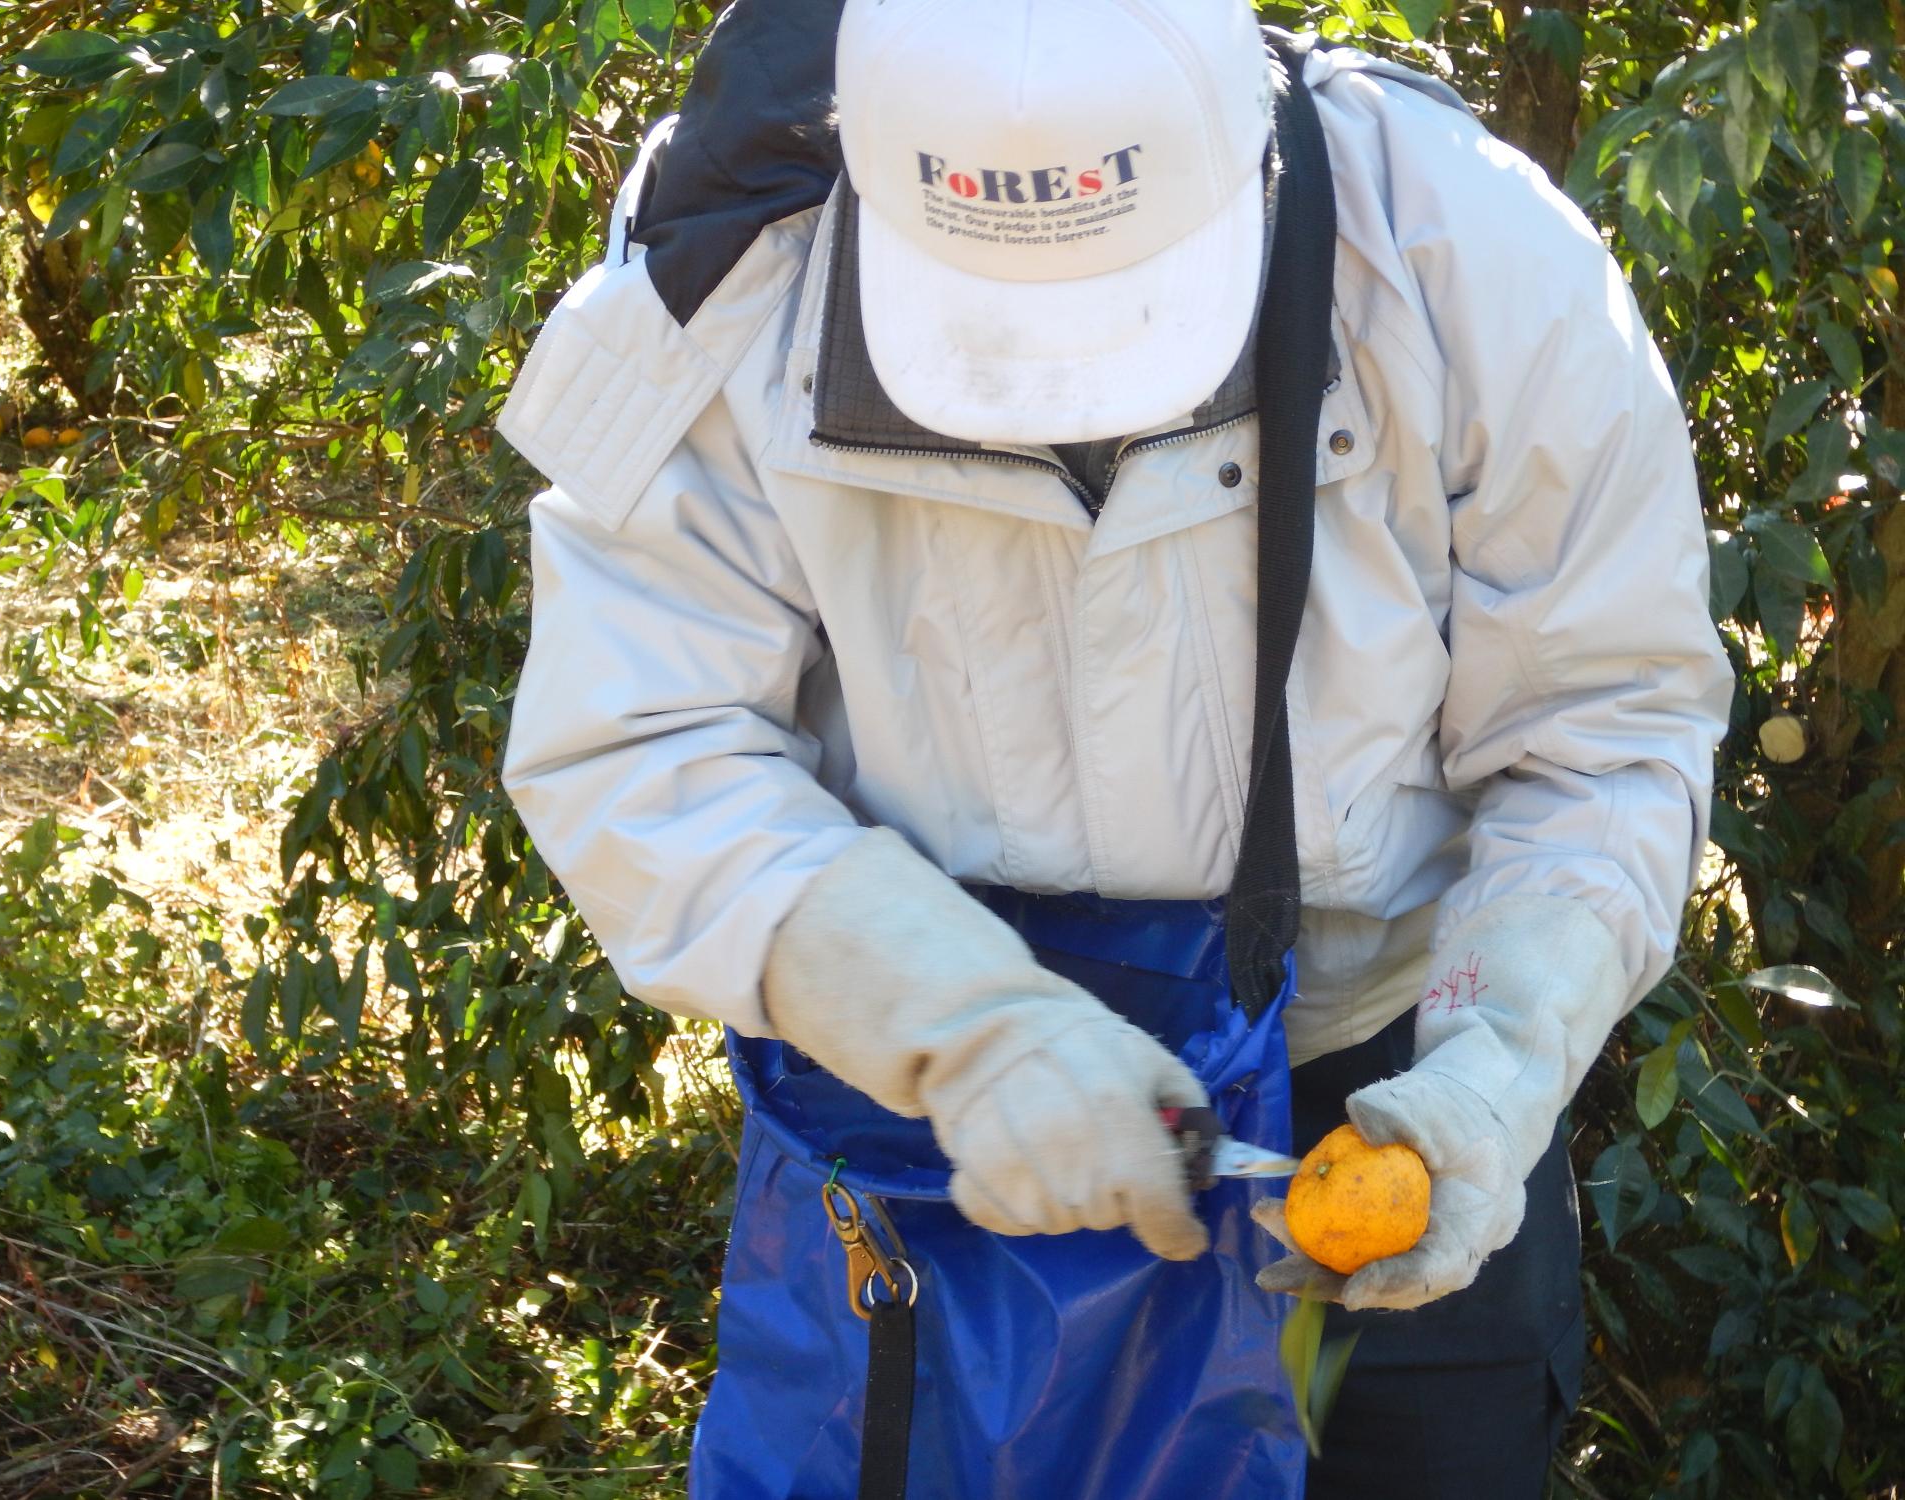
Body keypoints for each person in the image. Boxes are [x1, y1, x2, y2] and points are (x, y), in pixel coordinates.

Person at [497, 0, 1733, 1495]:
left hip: (1378, 1092)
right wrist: (971, 1031)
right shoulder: (728, 260)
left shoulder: (1466, 252)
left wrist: (1498, 1058)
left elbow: (1604, 724)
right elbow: (639, 744)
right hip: (943, 1135)